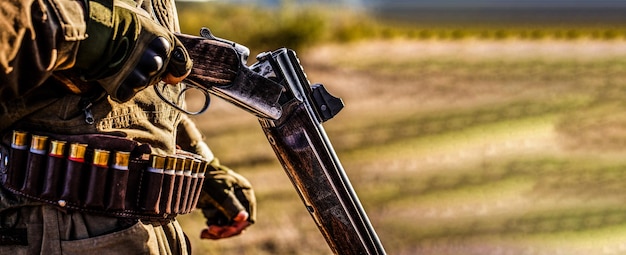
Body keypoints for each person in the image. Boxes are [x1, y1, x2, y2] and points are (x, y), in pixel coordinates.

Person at [0, 0, 256, 254]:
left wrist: (204, 167)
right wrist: (97, 30)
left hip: (149, 227)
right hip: (56, 226)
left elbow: (144, 101)